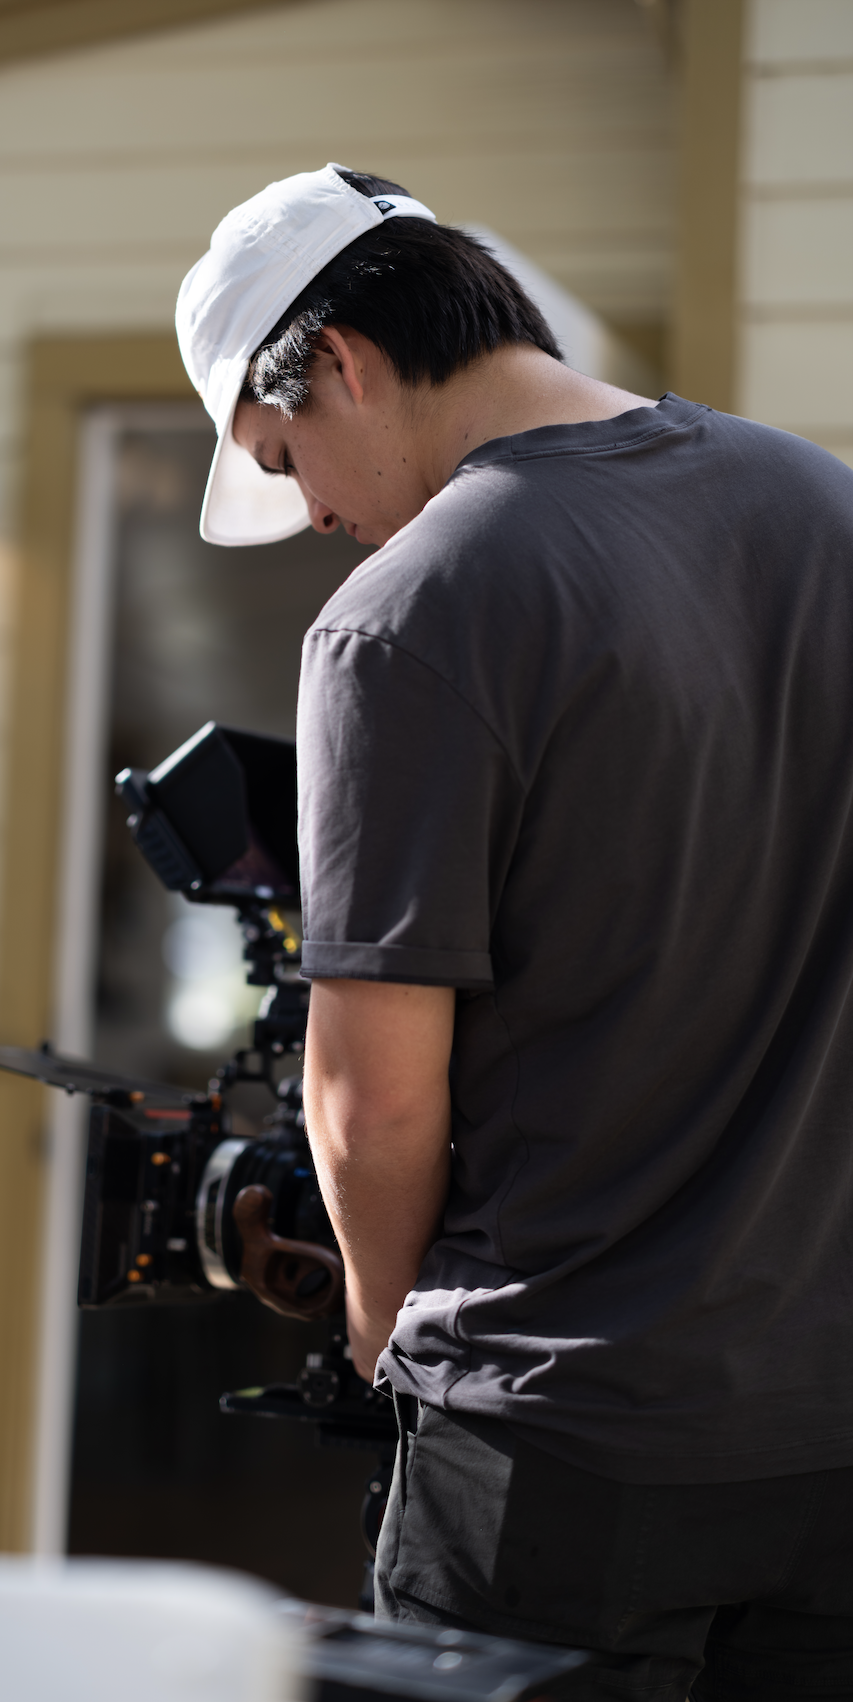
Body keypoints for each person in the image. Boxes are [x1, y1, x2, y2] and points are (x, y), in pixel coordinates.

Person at [175, 164, 853, 1701]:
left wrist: (376, 1328)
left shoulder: (410, 610)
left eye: (284, 457)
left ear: (341, 361)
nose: (314, 514)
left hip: (555, 1454)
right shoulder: (824, 506)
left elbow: (371, 1098)